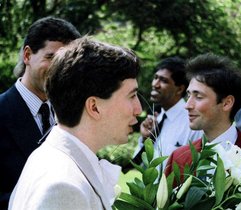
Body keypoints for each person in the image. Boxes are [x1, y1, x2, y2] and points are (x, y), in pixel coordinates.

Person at [8, 36, 142, 210]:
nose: (138, 109)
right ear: (94, 107)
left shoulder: (48, 157)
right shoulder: (63, 187)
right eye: (131, 96)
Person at [165, 53, 241, 209]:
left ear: (226, 103)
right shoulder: (178, 159)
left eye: (198, 96)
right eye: (188, 95)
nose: (188, 105)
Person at [0, 16, 81, 209]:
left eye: (67, 60)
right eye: (51, 57)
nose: (59, 68)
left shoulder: (71, 114)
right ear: (27, 55)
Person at [132, 57, 202, 171]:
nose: (155, 84)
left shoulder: (192, 123)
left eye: (164, 81)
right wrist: (145, 139)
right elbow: (142, 168)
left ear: (179, 89)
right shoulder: (155, 119)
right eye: (155, 78)